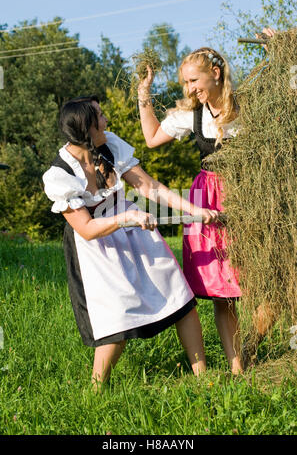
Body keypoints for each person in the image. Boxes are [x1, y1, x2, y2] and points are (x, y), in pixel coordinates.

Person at [42, 95, 219, 389]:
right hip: (98, 248)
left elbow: (148, 187)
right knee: (118, 320)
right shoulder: (60, 175)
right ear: (87, 126)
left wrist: (194, 209)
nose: (106, 120)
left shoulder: (109, 144)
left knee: (180, 297)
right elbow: (86, 228)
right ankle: (97, 390)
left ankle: (204, 376)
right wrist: (127, 219)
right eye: (100, 116)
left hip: (135, 227)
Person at [137, 28, 277, 374]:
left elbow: (278, 92)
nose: (189, 89)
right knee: (224, 291)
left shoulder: (248, 106)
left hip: (251, 196)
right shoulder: (191, 116)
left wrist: (274, 52)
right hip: (208, 201)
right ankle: (237, 369)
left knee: (270, 283)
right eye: (185, 83)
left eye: (193, 80)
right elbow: (153, 138)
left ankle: (250, 345)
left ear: (215, 73)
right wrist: (144, 96)